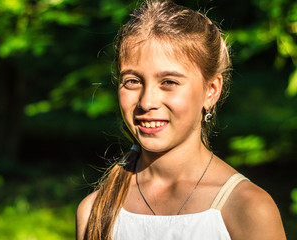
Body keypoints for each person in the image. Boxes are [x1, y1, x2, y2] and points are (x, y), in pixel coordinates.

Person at [76, 0, 286, 239]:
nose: (147, 102)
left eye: (169, 82)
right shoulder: (95, 212)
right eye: (133, 81)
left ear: (211, 90)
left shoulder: (246, 209)